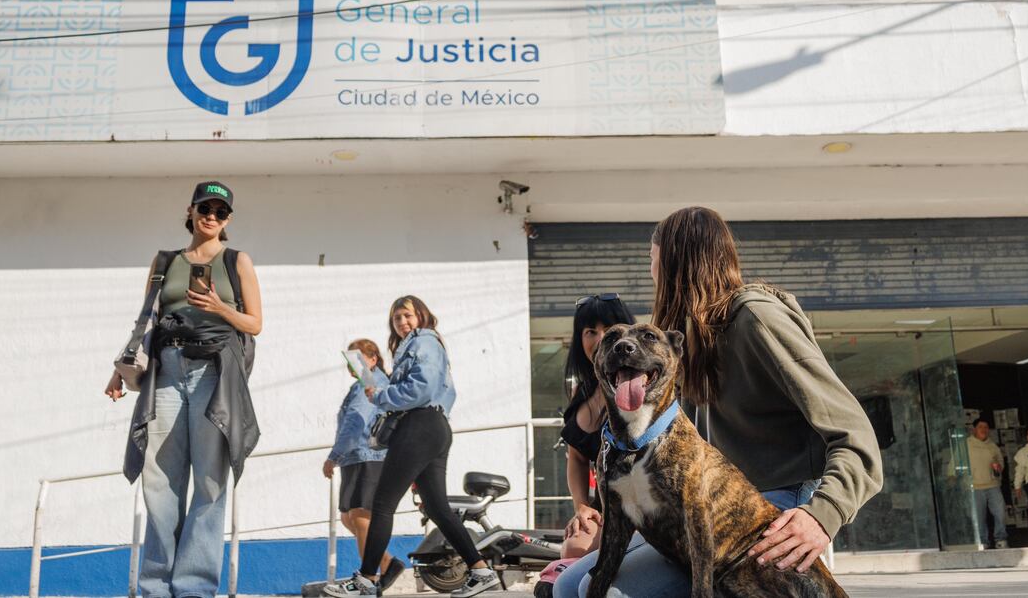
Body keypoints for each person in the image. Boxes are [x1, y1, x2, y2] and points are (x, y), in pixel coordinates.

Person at [555, 206, 883, 598]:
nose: (651, 270)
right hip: (703, 507)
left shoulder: (757, 319)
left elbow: (855, 433)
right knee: (569, 584)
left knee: (606, 592)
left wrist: (822, 514)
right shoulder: (686, 339)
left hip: (769, 506)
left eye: (652, 258)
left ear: (676, 260)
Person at [106, 181, 262, 598]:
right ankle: (156, 587)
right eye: (205, 208)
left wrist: (220, 308)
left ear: (227, 220)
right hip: (167, 371)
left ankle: (194, 588)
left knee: (209, 482)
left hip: (214, 373)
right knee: (159, 483)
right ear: (190, 211)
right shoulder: (164, 261)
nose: (211, 216)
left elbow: (255, 324)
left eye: (220, 211)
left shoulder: (236, 260)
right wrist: (121, 368)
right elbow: (146, 321)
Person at [323, 296, 498, 598]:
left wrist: (380, 395)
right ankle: (481, 571)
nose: (402, 323)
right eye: (396, 319)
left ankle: (365, 581)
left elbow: (421, 388)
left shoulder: (423, 342)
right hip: (433, 427)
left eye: (407, 316)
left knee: (382, 504)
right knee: (436, 507)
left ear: (421, 316)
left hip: (419, 426)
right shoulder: (420, 345)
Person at [545, 294, 636, 597]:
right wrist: (581, 506)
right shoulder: (583, 392)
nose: (601, 338)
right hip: (604, 507)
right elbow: (576, 457)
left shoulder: (639, 385)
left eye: (610, 327)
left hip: (642, 509)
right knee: (574, 543)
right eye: (590, 331)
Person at [322, 339, 404, 592]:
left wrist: (333, 456)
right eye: (349, 360)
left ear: (372, 360)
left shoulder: (368, 384)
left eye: (356, 360)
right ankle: (387, 564)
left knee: (360, 518)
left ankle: (369, 579)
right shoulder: (365, 384)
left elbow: (355, 423)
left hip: (367, 457)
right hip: (359, 457)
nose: (351, 366)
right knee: (350, 517)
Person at [967, 418, 1008, 549]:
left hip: (993, 485)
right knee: (979, 517)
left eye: (986, 427)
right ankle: (983, 541)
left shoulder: (993, 445)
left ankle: (1000, 539)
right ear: (974, 429)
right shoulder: (966, 444)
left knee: (1000, 513)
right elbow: (956, 461)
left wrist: (998, 467)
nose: (984, 429)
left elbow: (1000, 462)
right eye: (980, 427)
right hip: (975, 486)